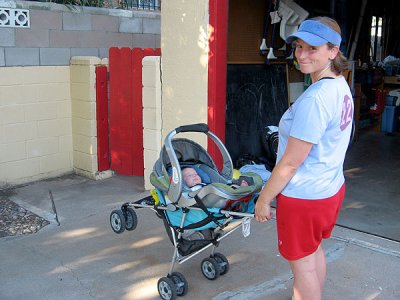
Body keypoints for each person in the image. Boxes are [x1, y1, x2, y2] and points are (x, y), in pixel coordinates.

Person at [254, 16, 353, 300]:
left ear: (333, 51)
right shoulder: (339, 85)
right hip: (329, 189)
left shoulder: (316, 99)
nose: (302, 54)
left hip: (304, 197)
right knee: (312, 253)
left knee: (303, 268)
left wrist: (264, 198)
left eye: (313, 48)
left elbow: (289, 164)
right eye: (299, 46)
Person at [182, 167, 249, 190]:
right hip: (208, 197)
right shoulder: (191, 190)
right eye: (189, 175)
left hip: (215, 190)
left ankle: (239, 188)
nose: (194, 176)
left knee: (227, 186)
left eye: (196, 174)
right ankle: (238, 190)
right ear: (183, 181)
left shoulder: (204, 183)